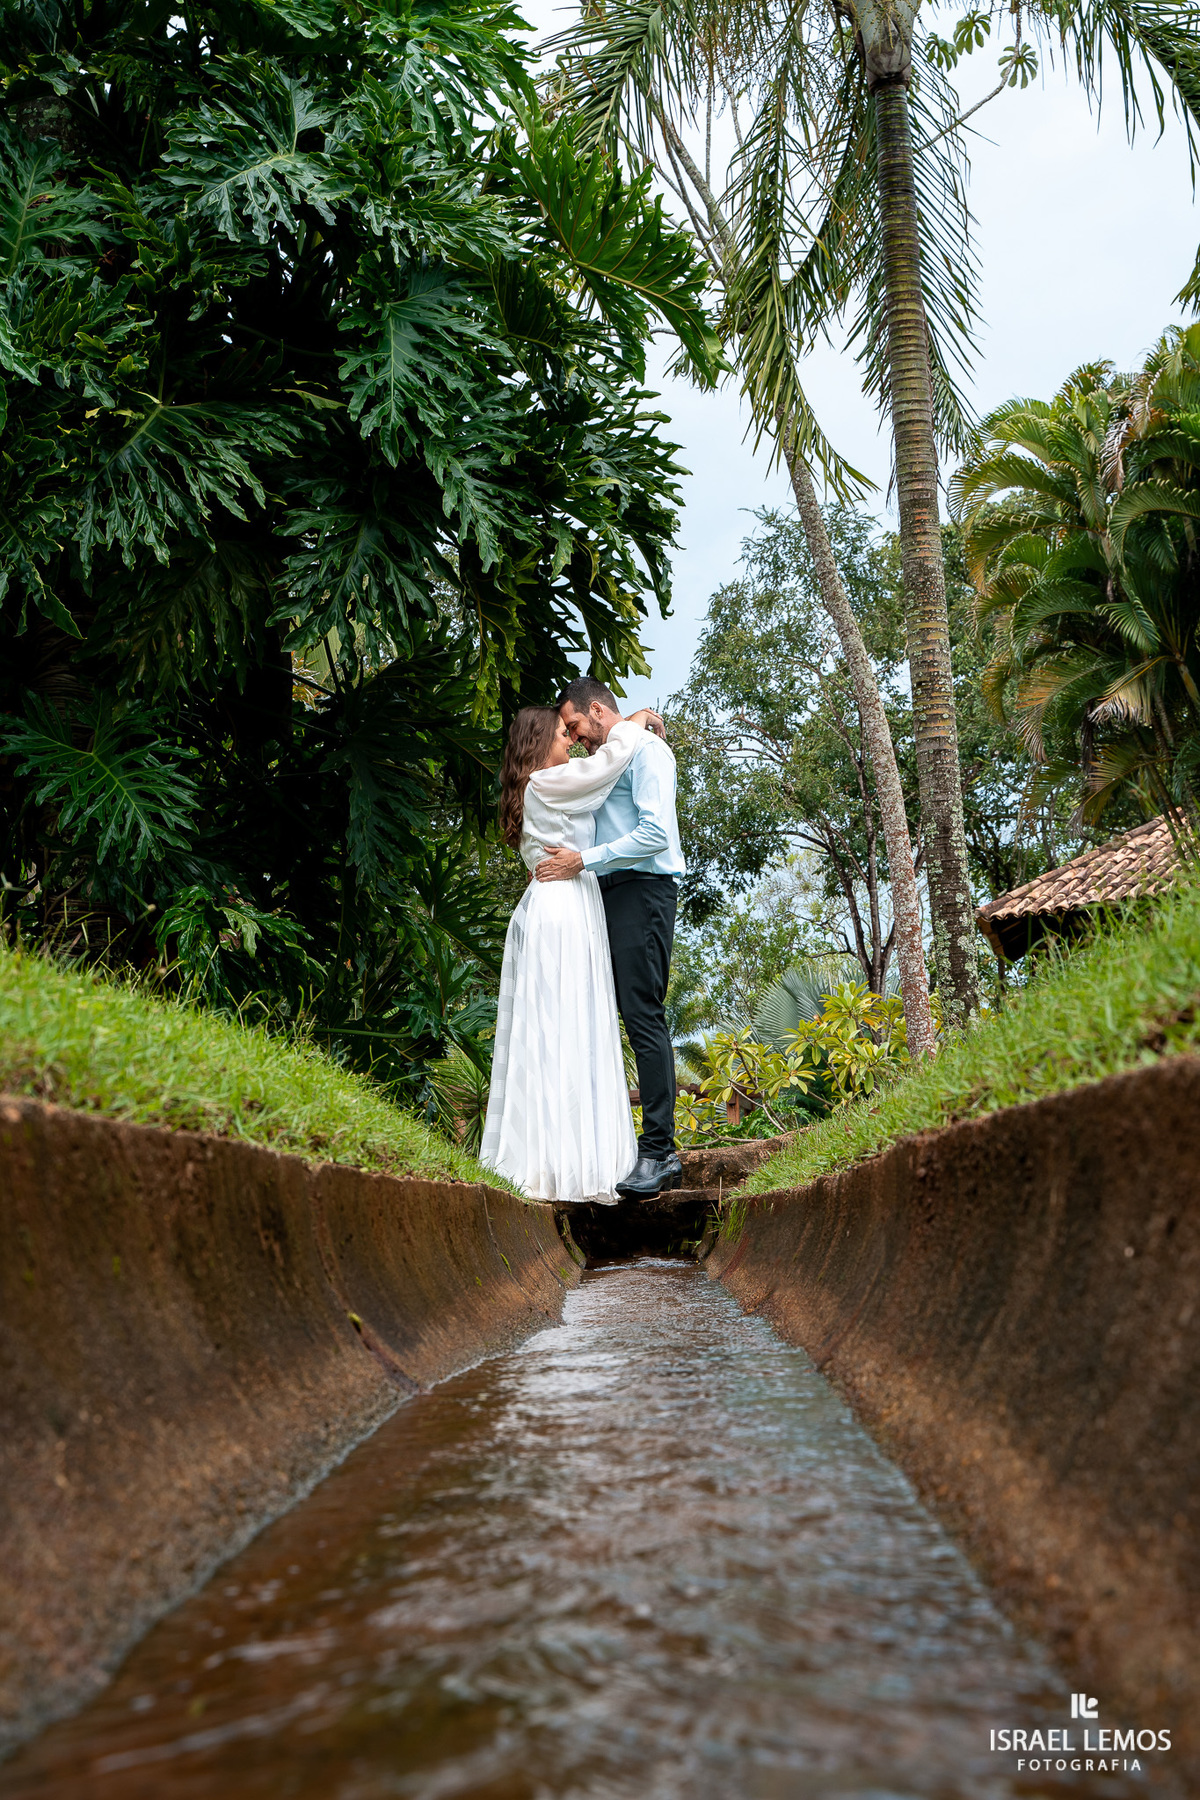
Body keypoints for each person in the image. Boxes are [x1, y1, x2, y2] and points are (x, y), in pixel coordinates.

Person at [480, 704, 659, 1203]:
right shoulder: (543, 783)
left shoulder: (543, 787)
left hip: (568, 905)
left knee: (564, 1028)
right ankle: (559, 1162)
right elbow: (605, 766)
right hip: (561, 911)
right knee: (562, 1027)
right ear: (540, 744)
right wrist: (635, 723)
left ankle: (563, 1155)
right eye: (563, 735)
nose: (570, 743)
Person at [535, 676, 684, 1200]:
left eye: (575, 725)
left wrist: (583, 860)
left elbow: (655, 835)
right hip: (608, 893)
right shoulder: (613, 755)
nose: (574, 737)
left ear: (597, 711)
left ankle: (660, 1152)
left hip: (643, 889)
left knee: (643, 1013)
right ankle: (618, 1146)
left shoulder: (648, 754)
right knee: (616, 1015)